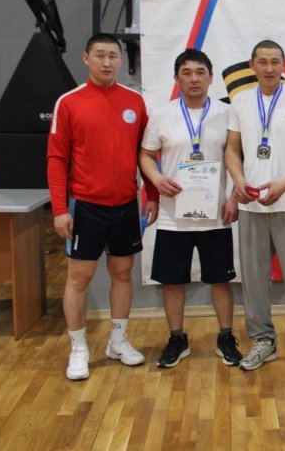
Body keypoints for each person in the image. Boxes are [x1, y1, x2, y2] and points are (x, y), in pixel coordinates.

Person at [47, 33, 159, 381]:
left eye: (113, 56)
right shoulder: (69, 102)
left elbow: (146, 155)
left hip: (125, 205)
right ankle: (79, 349)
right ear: (86, 58)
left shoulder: (135, 102)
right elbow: (56, 158)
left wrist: (152, 194)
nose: (107, 62)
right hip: (85, 206)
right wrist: (59, 208)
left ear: (121, 60)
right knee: (79, 277)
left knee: (122, 272)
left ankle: (118, 341)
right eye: (100, 55)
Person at [139, 49, 242, 369]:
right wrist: (157, 179)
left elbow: (239, 159)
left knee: (220, 281)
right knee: (172, 282)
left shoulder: (228, 114)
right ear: (176, 79)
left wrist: (234, 198)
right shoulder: (162, 115)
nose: (194, 78)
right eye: (186, 73)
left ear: (210, 77)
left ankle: (226, 337)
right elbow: (145, 155)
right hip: (173, 217)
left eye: (200, 72)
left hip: (216, 216)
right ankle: (176, 338)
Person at [225, 39, 285, 374]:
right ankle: (263, 340)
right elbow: (232, 149)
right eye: (262, 62)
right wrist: (238, 181)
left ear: (284, 65)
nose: (269, 68)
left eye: (275, 62)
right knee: (253, 281)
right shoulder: (240, 101)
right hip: (251, 205)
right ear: (252, 64)